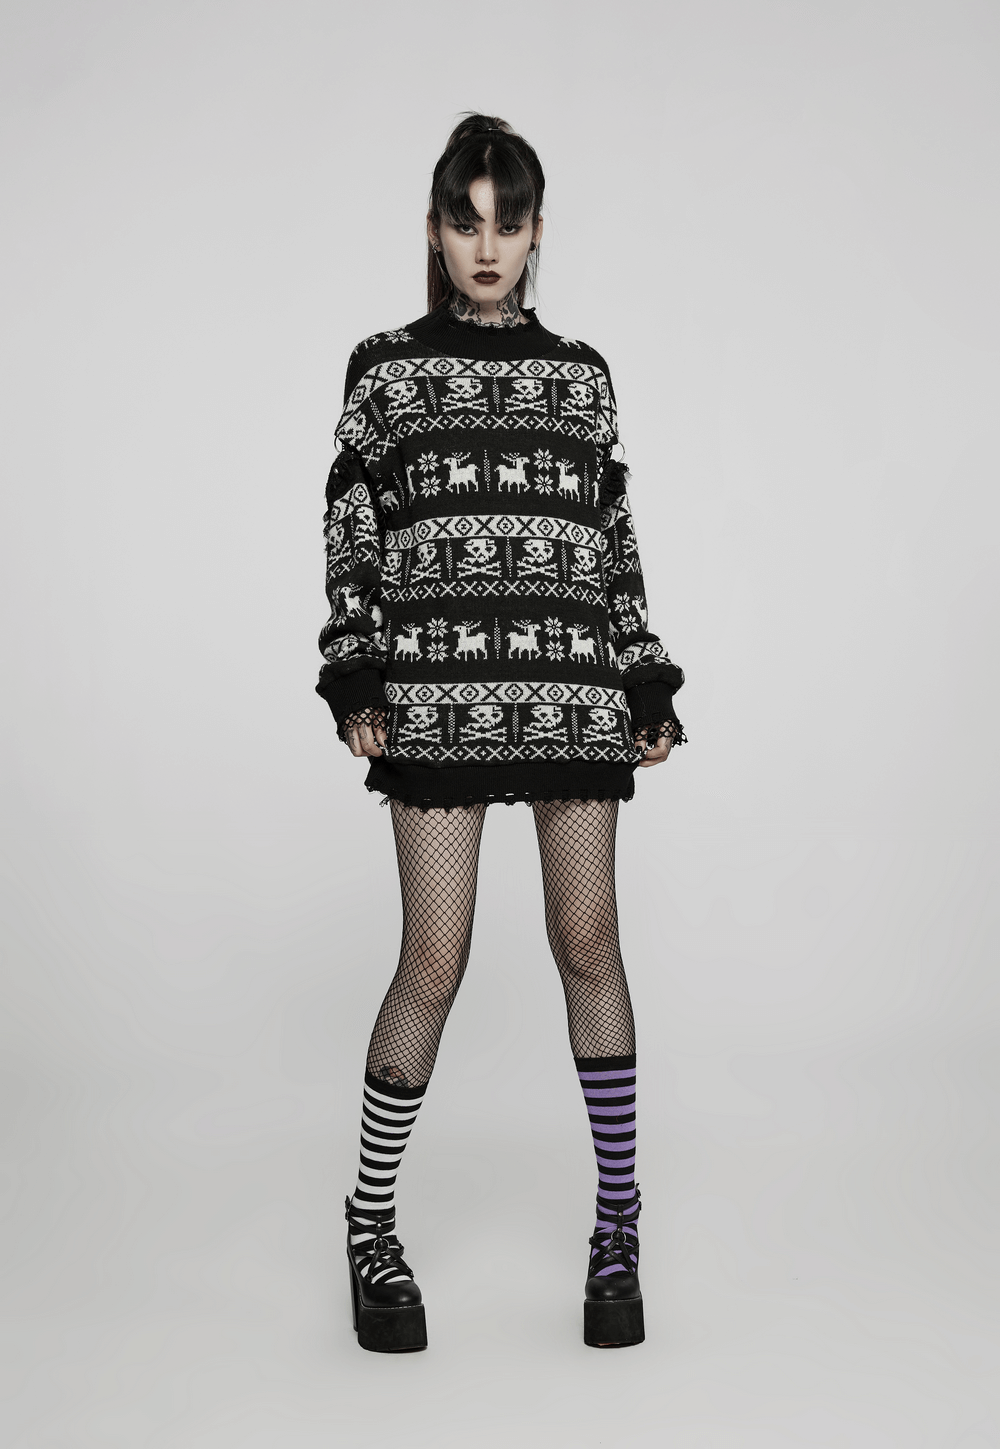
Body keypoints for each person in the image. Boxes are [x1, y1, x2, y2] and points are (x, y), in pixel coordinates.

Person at [316, 114, 685, 1352]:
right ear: (433, 230)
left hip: (570, 689)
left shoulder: (581, 376)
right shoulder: (384, 371)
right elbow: (353, 526)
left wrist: (642, 677)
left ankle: (618, 1224)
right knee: (434, 959)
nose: (487, 246)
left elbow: (609, 540)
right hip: (435, 690)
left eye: (508, 223)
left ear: (535, 234)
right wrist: (355, 670)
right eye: (465, 221)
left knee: (588, 942)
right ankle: (370, 1224)